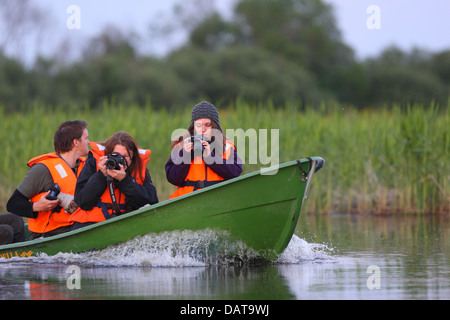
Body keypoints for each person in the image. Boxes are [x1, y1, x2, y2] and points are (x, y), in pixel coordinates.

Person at [6, 120, 89, 240]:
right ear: (76, 142)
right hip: (49, 234)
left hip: (77, 226)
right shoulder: (42, 170)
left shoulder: (86, 166)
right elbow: (13, 204)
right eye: (86, 138)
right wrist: (36, 206)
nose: (89, 142)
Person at [69, 131, 158, 230]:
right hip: (92, 224)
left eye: (126, 156)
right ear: (108, 154)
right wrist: (101, 175)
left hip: (126, 225)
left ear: (133, 156)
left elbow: (152, 202)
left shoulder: (139, 167)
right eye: (116, 155)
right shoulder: (94, 162)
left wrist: (125, 181)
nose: (121, 160)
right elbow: (82, 201)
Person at [165, 101, 242, 199]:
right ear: (193, 127)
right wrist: (185, 155)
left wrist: (210, 157)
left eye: (207, 124)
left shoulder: (226, 146)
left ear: (215, 127)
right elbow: (173, 178)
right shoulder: (181, 146)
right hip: (188, 201)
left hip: (219, 200)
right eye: (199, 125)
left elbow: (235, 173)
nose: (203, 129)